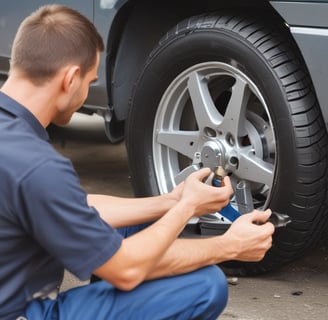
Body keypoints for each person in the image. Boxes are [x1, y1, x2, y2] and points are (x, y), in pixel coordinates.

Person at [0, 4, 275, 320]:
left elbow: (75, 206)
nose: (86, 92)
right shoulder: (38, 166)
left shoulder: (14, 135)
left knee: (140, 228)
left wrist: (171, 201)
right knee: (204, 285)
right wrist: (229, 245)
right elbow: (126, 270)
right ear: (70, 79)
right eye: (90, 82)